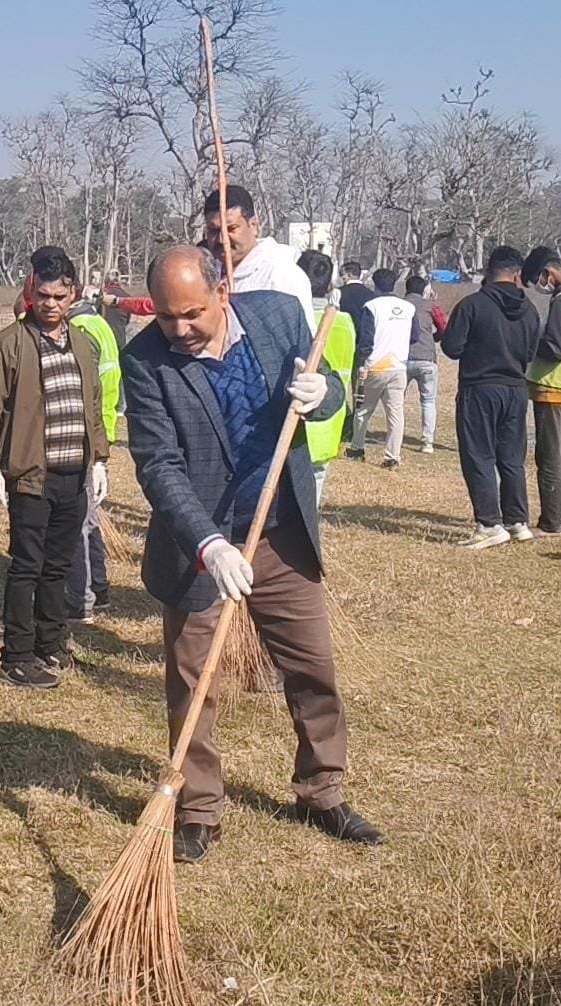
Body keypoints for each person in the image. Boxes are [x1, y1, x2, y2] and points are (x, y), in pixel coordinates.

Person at [121, 245, 382, 864]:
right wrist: (209, 545)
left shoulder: (277, 318)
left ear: (222, 293)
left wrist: (323, 394)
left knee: (311, 664)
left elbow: (333, 389)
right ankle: (199, 808)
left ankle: (322, 791)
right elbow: (158, 465)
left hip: (279, 530)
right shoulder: (145, 361)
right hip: (202, 543)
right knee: (193, 682)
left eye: (191, 314)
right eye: (166, 317)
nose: (179, 329)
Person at [0, 249, 109, 690]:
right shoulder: (9, 343)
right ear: (31, 293)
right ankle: (17, 655)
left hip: (74, 476)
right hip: (31, 477)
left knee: (59, 565)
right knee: (26, 566)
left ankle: (52, 642)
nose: (50, 304)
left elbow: (93, 406)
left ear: (74, 295)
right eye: (43, 296)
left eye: (59, 296)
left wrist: (100, 460)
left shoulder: (84, 344)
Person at [441, 246, 542, 549]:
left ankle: (489, 523)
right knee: (511, 457)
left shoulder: (472, 304)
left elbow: (452, 347)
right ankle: (517, 520)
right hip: (515, 389)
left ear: (489, 270)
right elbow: (530, 353)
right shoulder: (531, 309)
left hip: (480, 387)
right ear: (517, 274)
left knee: (479, 455)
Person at [65, 289, 123, 621]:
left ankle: (81, 599)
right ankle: (98, 590)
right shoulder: (98, 322)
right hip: (103, 426)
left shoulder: (81, 331)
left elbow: (85, 388)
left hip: (88, 432)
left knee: (80, 522)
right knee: (90, 518)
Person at [203, 185, 315, 331]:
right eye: (214, 231)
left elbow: (301, 341)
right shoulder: (208, 274)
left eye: (231, 229)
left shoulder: (281, 276)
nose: (221, 239)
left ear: (254, 226)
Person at [521, 247, 561, 534]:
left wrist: (530, 343)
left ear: (548, 273)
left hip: (550, 385)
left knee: (549, 454)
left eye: (539, 279)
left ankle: (550, 521)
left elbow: (555, 347)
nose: (541, 285)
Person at [296, 250, 355, 504]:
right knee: (316, 486)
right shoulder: (345, 321)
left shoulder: (294, 318)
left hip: (299, 418)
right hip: (331, 420)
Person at [348, 268, 414, 468]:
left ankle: (357, 448)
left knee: (363, 410)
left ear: (374, 285)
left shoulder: (372, 306)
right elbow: (415, 336)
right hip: (398, 366)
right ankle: (392, 456)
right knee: (395, 414)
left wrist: (362, 360)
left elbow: (366, 339)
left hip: (375, 366)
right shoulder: (408, 307)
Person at [404, 275, 446, 454]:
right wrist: (432, 338)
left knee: (397, 400)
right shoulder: (431, 306)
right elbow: (444, 328)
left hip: (403, 357)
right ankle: (427, 442)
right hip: (427, 358)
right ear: (424, 290)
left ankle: (394, 435)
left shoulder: (401, 304)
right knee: (428, 401)